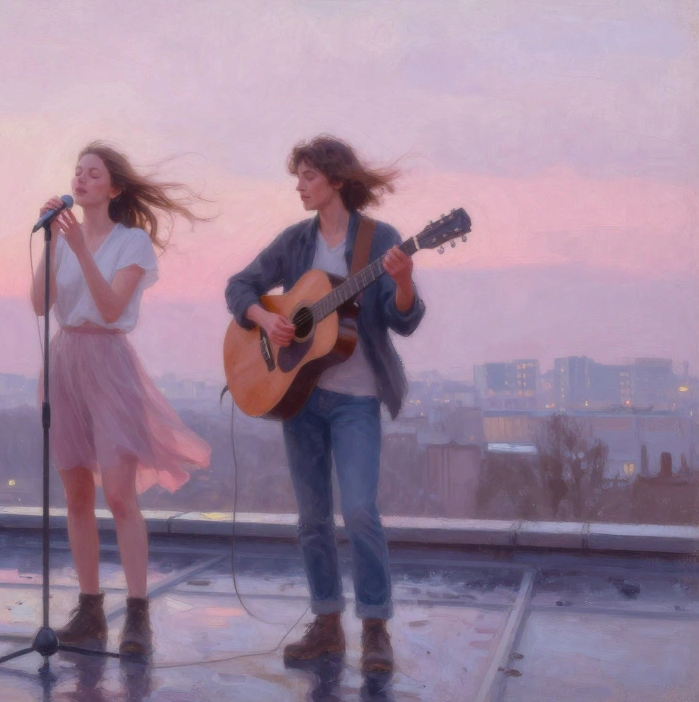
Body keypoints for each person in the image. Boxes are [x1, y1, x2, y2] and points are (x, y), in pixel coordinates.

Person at [223, 135, 425, 673]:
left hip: (356, 399)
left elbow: (403, 320)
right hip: (301, 397)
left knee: (359, 510)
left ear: (337, 181)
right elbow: (240, 286)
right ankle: (328, 625)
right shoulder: (295, 241)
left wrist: (403, 283)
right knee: (312, 519)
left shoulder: (379, 241)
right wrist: (265, 319)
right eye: (299, 177)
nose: (299, 186)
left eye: (309, 177)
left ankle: (376, 626)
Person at [30, 141, 211, 658]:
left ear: (114, 188)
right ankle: (89, 611)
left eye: (94, 173)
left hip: (109, 363)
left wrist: (81, 251)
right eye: (77, 171)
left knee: (118, 493)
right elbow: (38, 304)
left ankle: (137, 613)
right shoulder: (60, 239)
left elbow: (110, 308)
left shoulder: (132, 242)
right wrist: (51, 245)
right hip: (64, 362)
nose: (82, 179)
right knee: (76, 494)